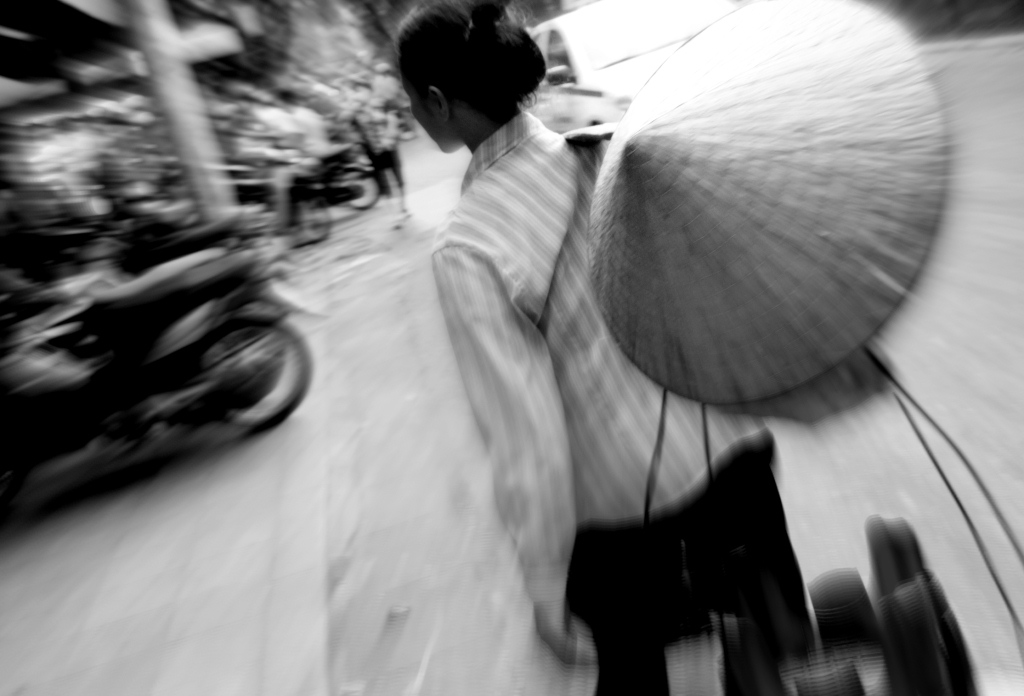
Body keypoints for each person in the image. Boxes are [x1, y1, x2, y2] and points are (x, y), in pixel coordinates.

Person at [397, 2, 795, 694]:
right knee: (778, 648)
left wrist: (545, 578)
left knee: (634, 672)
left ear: (436, 100)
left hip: (618, 514)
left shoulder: (469, 247)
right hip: (726, 445)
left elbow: (527, 439)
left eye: (413, 102)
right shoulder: (617, 149)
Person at [351, 97, 409, 229]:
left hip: (389, 149)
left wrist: (391, 135)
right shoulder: (355, 115)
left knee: (399, 181)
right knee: (384, 185)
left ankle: (402, 209)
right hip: (374, 153)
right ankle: (395, 216)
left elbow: (393, 123)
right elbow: (357, 137)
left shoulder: (379, 105)